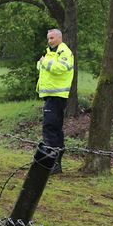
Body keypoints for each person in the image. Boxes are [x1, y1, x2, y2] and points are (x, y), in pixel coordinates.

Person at [36, 28, 74, 174]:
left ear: (59, 38)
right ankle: (54, 164)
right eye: (48, 38)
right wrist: (43, 62)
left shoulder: (64, 52)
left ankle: (52, 163)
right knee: (55, 128)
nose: (49, 40)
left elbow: (60, 68)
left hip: (57, 96)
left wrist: (44, 62)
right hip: (51, 96)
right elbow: (42, 67)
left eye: (52, 38)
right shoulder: (50, 52)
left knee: (50, 127)